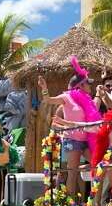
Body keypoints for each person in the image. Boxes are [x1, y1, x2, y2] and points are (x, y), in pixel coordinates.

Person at [37, 57, 103, 197]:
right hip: (72, 139)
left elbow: (94, 116)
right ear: (79, 86)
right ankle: (70, 203)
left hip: (85, 139)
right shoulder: (67, 97)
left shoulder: (88, 100)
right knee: (72, 173)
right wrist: (44, 88)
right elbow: (48, 100)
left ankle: (94, 199)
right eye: (88, 84)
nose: (90, 86)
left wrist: (99, 94)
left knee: (96, 163)